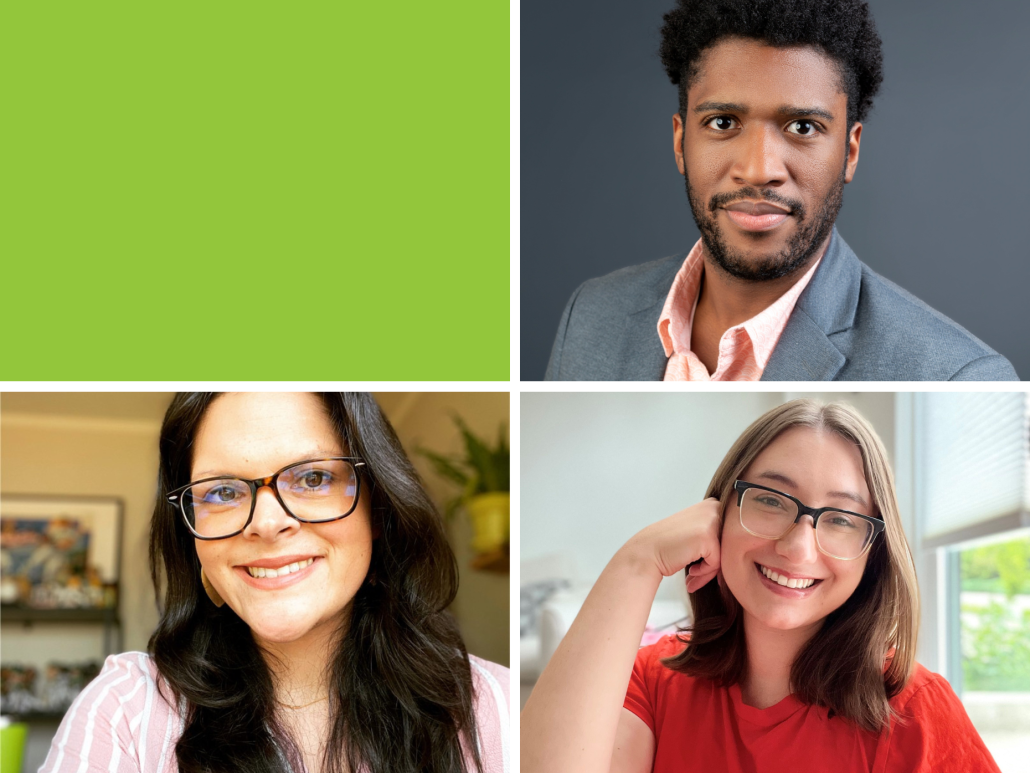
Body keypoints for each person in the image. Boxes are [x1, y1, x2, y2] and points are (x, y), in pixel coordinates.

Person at [544, 0, 1018, 381]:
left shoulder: (958, 378)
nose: (758, 170)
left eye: (803, 127)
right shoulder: (590, 316)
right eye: (723, 122)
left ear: (850, 152)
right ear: (680, 140)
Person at [40, 392, 510, 773]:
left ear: (379, 508)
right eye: (222, 492)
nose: (267, 522)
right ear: (191, 537)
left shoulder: (503, 707)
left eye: (311, 478)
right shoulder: (124, 710)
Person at [521, 400, 1001, 773]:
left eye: (840, 518)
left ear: (874, 550)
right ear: (720, 512)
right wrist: (636, 562)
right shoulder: (651, 680)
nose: (797, 547)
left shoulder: (914, 710)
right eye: (771, 501)